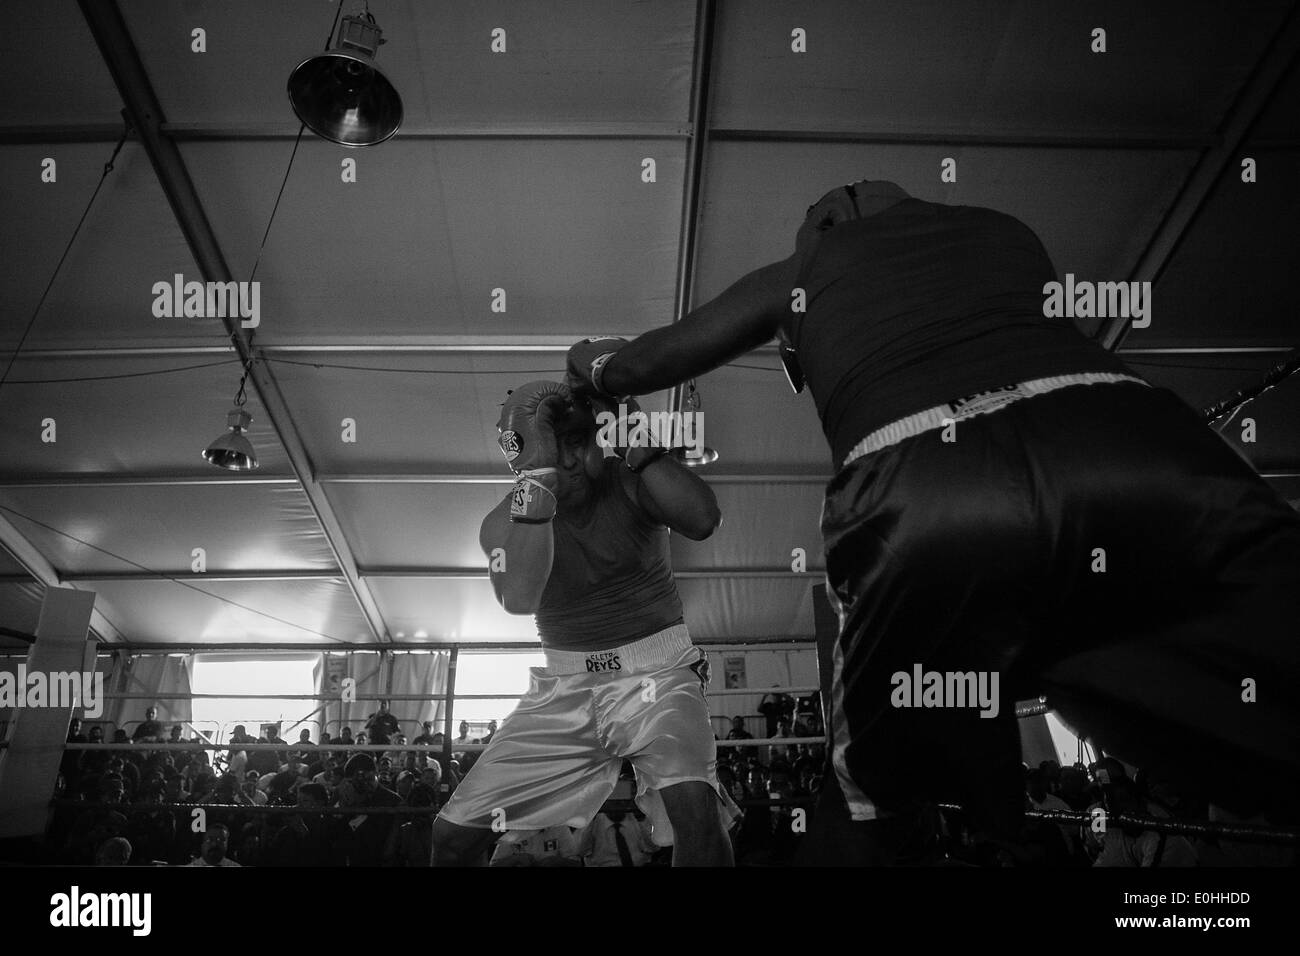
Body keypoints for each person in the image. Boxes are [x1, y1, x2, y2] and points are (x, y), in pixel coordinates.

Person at [563, 178, 1300, 863]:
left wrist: (589, 364)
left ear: (821, 227)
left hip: (926, 482)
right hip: (1141, 443)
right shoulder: (1004, 229)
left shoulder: (798, 271)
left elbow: (639, 365)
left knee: (867, 800)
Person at [432, 380, 737, 867]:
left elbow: (703, 519)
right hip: (564, 687)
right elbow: (518, 597)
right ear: (527, 454)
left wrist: (638, 440)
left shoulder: (631, 480)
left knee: (695, 815)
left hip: (659, 674)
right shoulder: (501, 523)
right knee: (449, 837)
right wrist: (540, 485)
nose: (571, 461)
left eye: (580, 444)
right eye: (557, 447)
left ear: (601, 440)